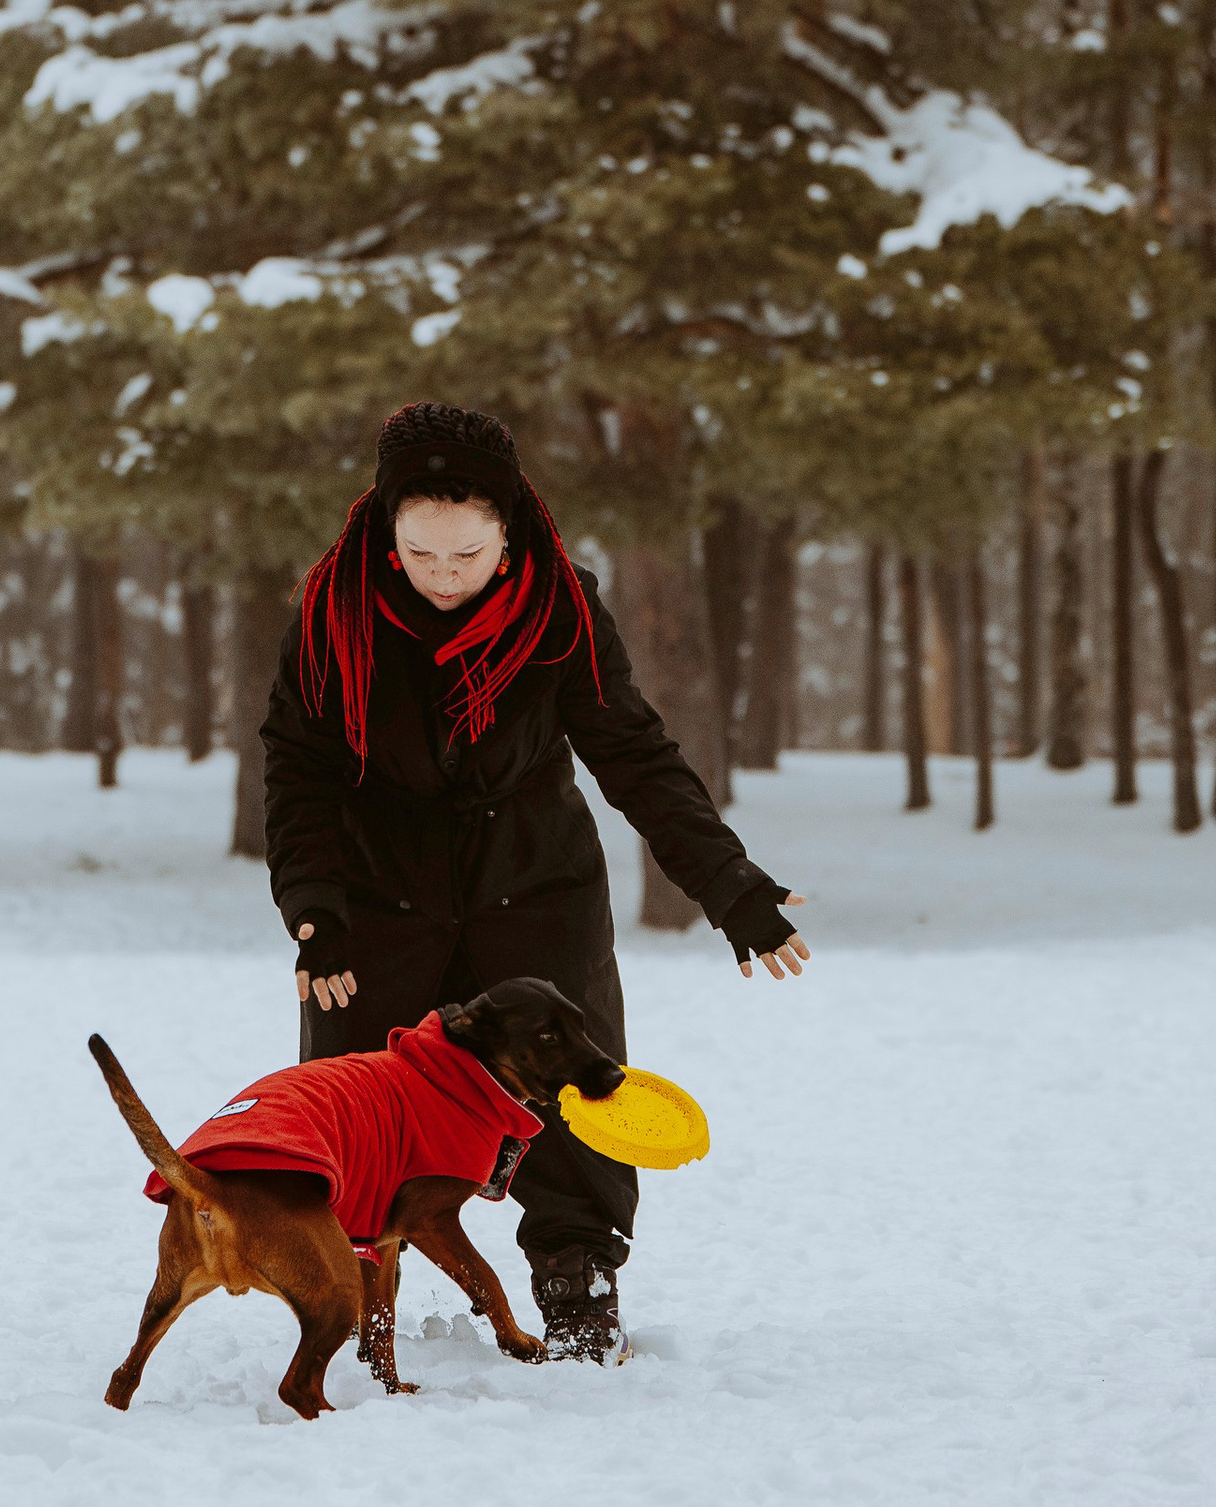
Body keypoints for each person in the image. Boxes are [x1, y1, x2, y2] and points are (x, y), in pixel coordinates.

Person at [260, 400, 808, 1362]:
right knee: (358, 1100)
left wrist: (728, 884)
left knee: (574, 1086)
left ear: (509, 534)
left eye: (467, 555)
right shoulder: (331, 611)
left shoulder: (560, 610)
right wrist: (315, 911)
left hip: (534, 883)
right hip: (379, 895)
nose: (443, 575)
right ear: (385, 531)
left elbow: (634, 754)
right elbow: (298, 771)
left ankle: (577, 1276)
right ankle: (349, 1285)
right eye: (420, 553)